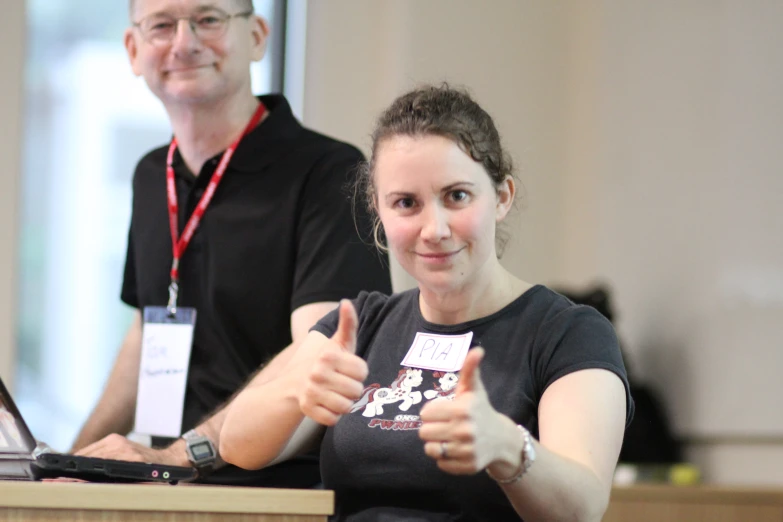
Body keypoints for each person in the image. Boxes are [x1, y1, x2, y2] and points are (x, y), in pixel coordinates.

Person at [219, 84, 634, 521]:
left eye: (456, 196)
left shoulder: (567, 333)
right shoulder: (362, 324)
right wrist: (296, 390)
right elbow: (237, 445)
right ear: (379, 212)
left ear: (502, 197)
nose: (434, 228)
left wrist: (508, 447)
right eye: (406, 203)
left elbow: (583, 508)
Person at [71, 0, 391, 487]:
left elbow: (320, 348)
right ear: (134, 50)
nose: (184, 42)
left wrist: (186, 452)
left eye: (208, 19)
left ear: (258, 36)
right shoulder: (151, 175)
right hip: (168, 485)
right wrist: (70, 463)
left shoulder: (331, 174)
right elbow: (148, 331)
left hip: (279, 489)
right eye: (161, 25)